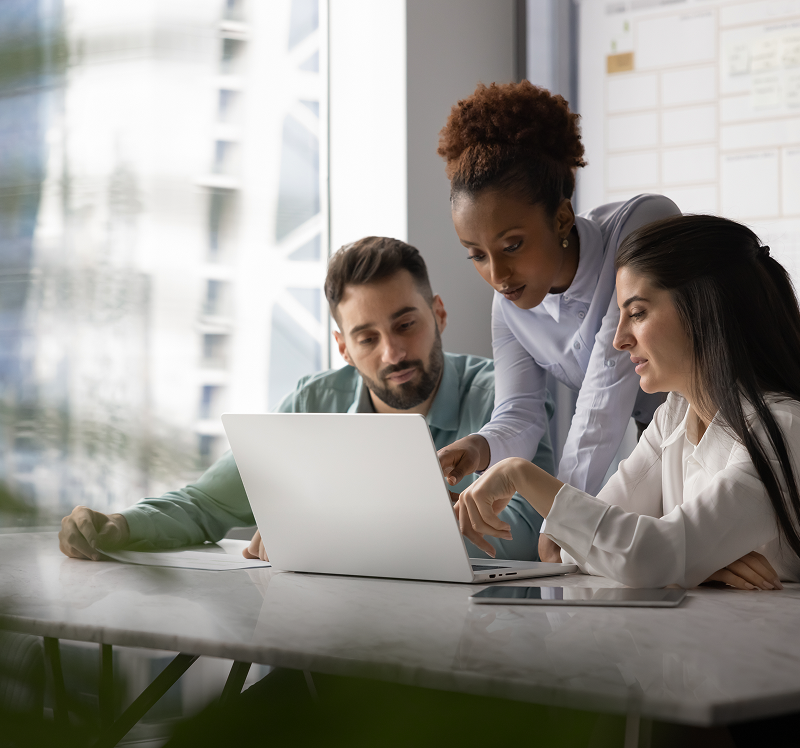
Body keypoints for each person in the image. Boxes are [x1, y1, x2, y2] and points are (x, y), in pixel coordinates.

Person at [58, 237, 555, 563]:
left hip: (480, 655)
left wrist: (325, 534)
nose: (394, 352)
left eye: (406, 324)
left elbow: (529, 534)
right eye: (366, 337)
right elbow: (207, 503)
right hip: (339, 647)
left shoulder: (507, 398)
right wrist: (119, 525)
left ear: (438, 314)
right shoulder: (315, 400)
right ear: (343, 346)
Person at [455, 214, 800, 591]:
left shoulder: (782, 427)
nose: (619, 339)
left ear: (705, 309)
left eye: (636, 313)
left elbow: (647, 556)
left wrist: (519, 473)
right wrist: (696, 563)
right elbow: (562, 548)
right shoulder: (674, 416)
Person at [434, 81, 680, 563]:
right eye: (477, 256)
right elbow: (521, 413)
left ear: (563, 218)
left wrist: (560, 514)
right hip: (662, 444)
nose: (498, 275)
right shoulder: (510, 309)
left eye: (512, 245)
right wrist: (479, 448)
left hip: (739, 426)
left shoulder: (639, 225)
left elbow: (606, 389)